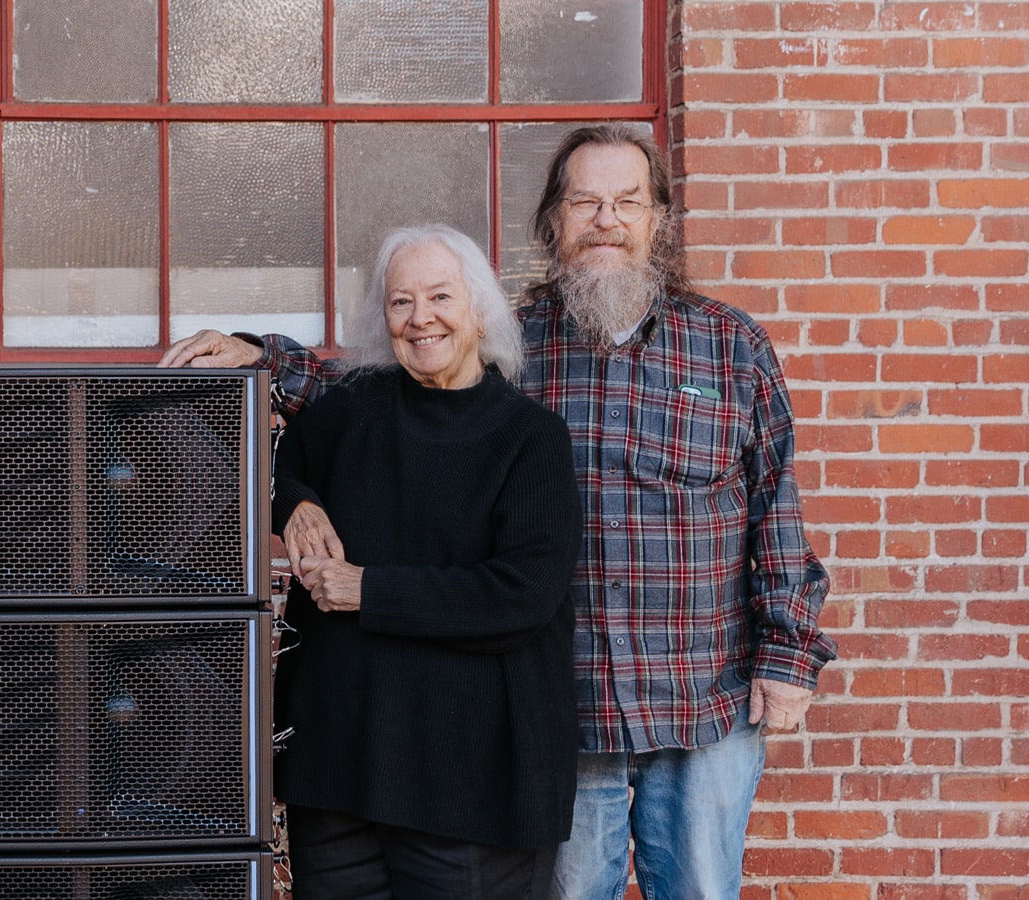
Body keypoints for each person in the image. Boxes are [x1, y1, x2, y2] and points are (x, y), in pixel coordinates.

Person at [159, 123, 837, 899]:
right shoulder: (515, 341)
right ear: (554, 220)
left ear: (659, 220)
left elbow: (775, 508)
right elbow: (373, 382)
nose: (606, 220)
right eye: (585, 202)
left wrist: (788, 658)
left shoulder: (730, 346)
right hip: (569, 707)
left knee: (702, 890)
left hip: (698, 692)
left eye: (626, 202)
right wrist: (261, 355)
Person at [260, 224, 582, 899]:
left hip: (468, 787)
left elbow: (521, 594)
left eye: (439, 296)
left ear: (480, 309)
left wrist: (367, 590)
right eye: (400, 302)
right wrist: (294, 504)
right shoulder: (350, 410)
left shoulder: (530, 439)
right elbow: (279, 461)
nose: (419, 318)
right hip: (340, 771)